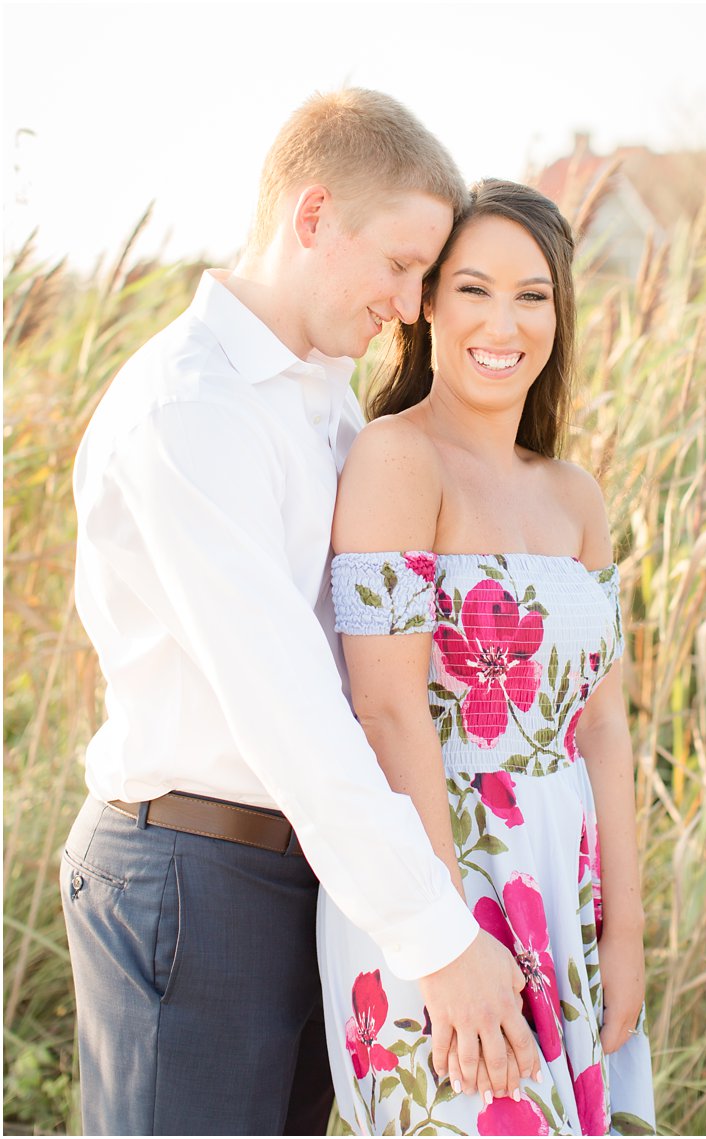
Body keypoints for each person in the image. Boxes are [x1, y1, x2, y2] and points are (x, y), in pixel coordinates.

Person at [63, 90, 538, 1135]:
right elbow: (288, 704)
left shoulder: (321, 394)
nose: (412, 305)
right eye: (401, 265)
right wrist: (439, 937)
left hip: (309, 877)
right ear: (313, 215)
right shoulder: (193, 409)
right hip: (191, 874)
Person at [316, 178, 656, 1135]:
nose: (502, 321)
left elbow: (603, 727)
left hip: (562, 879)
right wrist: (448, 938)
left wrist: (622, 935)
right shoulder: (395, 459)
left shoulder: (574, 494)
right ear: (426, 302)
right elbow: (387, 712)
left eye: (532, 294)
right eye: (472, 288)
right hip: (440, 878)